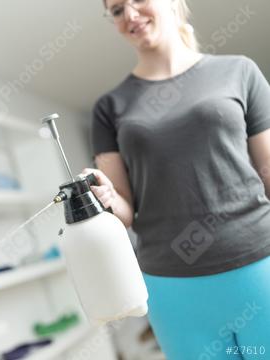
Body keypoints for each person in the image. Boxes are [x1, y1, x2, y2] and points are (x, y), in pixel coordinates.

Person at [85, 0, 270, 358]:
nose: (130, 15)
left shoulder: (239, 71)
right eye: (117, 9)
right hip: (171, 286)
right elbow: (123, 209)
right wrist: (106, 196)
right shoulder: (109, 107)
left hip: (258, 264)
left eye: (137, 1)